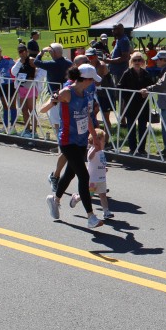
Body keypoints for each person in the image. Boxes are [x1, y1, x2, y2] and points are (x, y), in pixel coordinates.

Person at [46, 65, 105, 229]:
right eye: (92, 80)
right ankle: (91, 217)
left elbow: (87, 117)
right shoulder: (67, 92)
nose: (93, 83)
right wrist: (52, 99)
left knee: (70, 173)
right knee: (83, 176)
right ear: (86, 79)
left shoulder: (85, 94)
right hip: (67, 141)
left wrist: (94, 137)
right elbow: (46, 107)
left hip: (81, 140)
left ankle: (55, 199)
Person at [139, 50, 166, 159]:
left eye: (158, 60)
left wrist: (149, 89)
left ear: (164, 60)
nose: (156, 62)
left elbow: (162, 85)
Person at [69, 129, 113, 219]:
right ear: (97, 141)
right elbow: (89, 158)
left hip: (101, 178)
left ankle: (106, 212)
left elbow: (100, 162)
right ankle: (76, 198)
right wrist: (95, 149)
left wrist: (104, 168)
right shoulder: (92, 150)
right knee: (89, 195)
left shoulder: (102, 152)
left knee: (103, 195)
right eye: (103, 141)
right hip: (93, 180)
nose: (104, 143)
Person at [117, 51, 154, 154]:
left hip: (143, 104)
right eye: (135, 60)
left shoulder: (146, 73)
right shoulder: (127, 73)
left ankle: (142, 148)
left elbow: (151, 86)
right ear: (131, 61)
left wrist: (147, 91)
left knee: (142, 127)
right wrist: (128, 96)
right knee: (131, 127)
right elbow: (120, 87)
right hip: (131, 104)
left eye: (139, 60)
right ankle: (132, 148)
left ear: (143, 61)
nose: (137, 62)